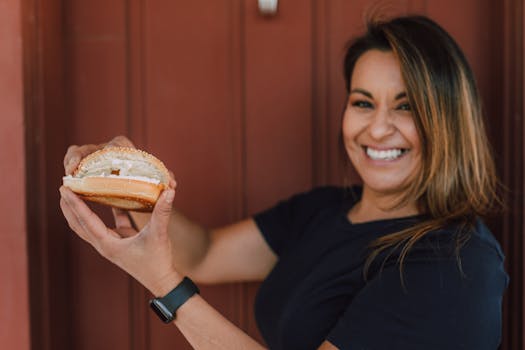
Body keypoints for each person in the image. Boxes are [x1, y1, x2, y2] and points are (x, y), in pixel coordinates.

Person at [60, 15, 508, 350]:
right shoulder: (325, 210)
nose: (377, 129)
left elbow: (180, 270)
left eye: (406, 106)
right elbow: (206, 254)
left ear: (449, 120)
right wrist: (129, 179)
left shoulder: (456, 262)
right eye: (363, 102)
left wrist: (165, 285)